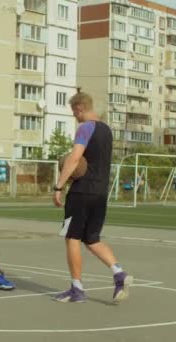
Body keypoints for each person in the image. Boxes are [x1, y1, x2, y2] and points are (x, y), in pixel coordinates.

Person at [52, 92, 132, 303]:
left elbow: (75, 158)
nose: (75, 117)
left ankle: (76, 289)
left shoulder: (85, 127)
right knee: (92, 238)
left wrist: (58, 186)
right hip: (100, 193)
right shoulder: (106, 130)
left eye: (74, 113)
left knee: (71, 237)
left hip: (81, 192)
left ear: (79, 108)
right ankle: (119, 273)